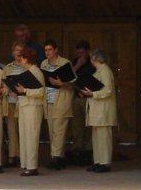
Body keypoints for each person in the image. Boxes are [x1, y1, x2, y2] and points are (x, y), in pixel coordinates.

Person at [81, 49, 116, 172]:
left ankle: (105, 162)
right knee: (96, 137)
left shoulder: (105, 71)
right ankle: (98, 161)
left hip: (103, 110)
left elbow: (108, 91)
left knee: (104, 137)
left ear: (95, 59)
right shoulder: (98, 71)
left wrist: (93, 93)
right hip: (96, 109)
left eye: (91, 58)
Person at [12, 48, 46, 176]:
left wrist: (25, 90)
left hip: (33, 107)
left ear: (26, 59)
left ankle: (32, 166)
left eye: (21, 59)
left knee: (31, 136)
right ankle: (26, 163)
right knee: (24, 136)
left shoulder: (36, 71)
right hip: (25, 106)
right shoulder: (27, 71)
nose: (20, 61)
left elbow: (40, 92)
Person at [41, 40, 73, 170]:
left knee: (59, 131)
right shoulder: (43, 64)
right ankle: (59, 157)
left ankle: (56, 158)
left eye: (49, 49)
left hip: (61, 100)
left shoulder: (65, 63)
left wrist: (62, 84)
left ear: (56, 50)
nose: (47, 52)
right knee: (52, 131)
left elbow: (73, 84)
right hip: (48, 101)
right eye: (45, 50)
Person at [2, 44, 26, 169]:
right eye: (17, 50)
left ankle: (24, 156)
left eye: (21, 50)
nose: (19, 52)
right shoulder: (7, 68)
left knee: (23, 129)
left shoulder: (27, 66)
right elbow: (4, 83)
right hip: (10, 101)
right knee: (11, 130)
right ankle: (13, 155)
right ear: (13, 52)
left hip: (22, 101)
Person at [69, 40, 94, 162]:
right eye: (78, 53)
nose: (80, 55)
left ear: (87, 52)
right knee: (77, 125)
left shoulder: (93, 63)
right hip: (77, 96)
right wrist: (78, 64)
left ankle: (89, 150)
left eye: (82, 53)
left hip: (88, 97)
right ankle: (77, 148)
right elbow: (69, 77)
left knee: (89, 125)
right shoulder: (75, 62)